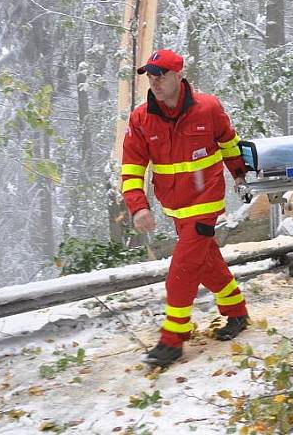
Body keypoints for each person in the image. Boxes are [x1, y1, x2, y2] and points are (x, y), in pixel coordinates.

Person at [121, 49, 250, 367]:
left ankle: (172, 340)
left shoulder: (208, 108)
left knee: (181, 270)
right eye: (150, 76)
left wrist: (239, 175)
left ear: (179, 75)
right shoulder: (140, 119)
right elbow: (132, 167)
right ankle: (236, 312)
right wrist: (138, 207)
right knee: (205, 263)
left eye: (161, 75)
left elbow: (229, 142)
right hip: (174, 207)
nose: (155, 82)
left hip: (205, 201)